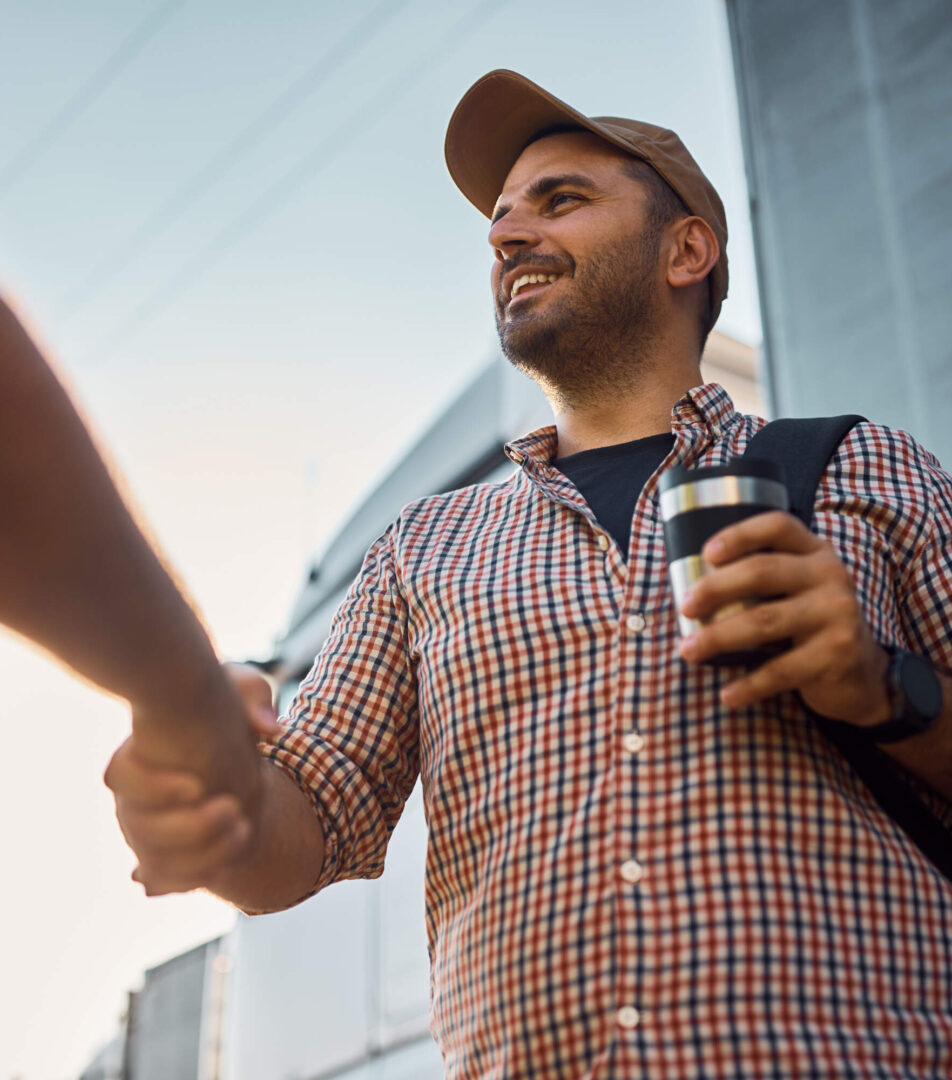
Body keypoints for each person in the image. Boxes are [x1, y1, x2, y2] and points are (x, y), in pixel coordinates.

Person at [105, 70, 952, 1078]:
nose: (507, 236)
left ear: (687, 249)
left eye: (561, 200)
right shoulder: (421, 551)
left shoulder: (868, 468)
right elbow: (307, 823)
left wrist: (878, 683)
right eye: (500, 221)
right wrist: (218, 799)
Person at [0, 295, 275, 812]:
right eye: (481, 211)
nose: (484, 231)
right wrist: (191, 708)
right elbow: (310, 809)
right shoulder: (408, 552)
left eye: (486, 209)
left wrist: (186, 696)